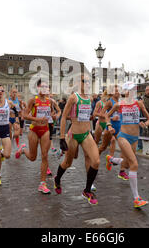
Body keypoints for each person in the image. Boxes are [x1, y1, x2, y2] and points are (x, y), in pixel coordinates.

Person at [54, 75, 101, 205]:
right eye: (84, 81)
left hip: (86, 134)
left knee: (96, 161)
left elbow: (86, 116)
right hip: (73, 135)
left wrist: (90, 119)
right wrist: (62, 138)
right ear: (77, 83)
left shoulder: (90, 98)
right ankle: (57, 179)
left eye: (88, 81)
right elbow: (63, 117)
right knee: (68, 163)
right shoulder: (73, 97)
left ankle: (87, 190)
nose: (87, 83)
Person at [106, 82, 149, 208]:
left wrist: (145, 124)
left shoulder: (139, 103)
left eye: (134, 90)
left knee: (126, 164)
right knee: (134, 164)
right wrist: (109, 125)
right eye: (129, 90)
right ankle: (136, 198)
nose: (132, 92)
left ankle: (111, 159)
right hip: (123, 136)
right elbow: (106, 116)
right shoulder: (119, 104)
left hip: (135, 138)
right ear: (125, 91)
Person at [16, 80, 54, 194]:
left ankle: (42, 184)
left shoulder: (50, 101)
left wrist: (55, 115)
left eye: (46, 86)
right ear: (37, 88)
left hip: (45, 130)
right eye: (42, 86)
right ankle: (23, 150)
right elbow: (25, 115)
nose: (44, 88)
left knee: (44, 155)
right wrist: (37, 119)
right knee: (33, 157)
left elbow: (51, 114)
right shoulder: (33, 100)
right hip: (34, 130)